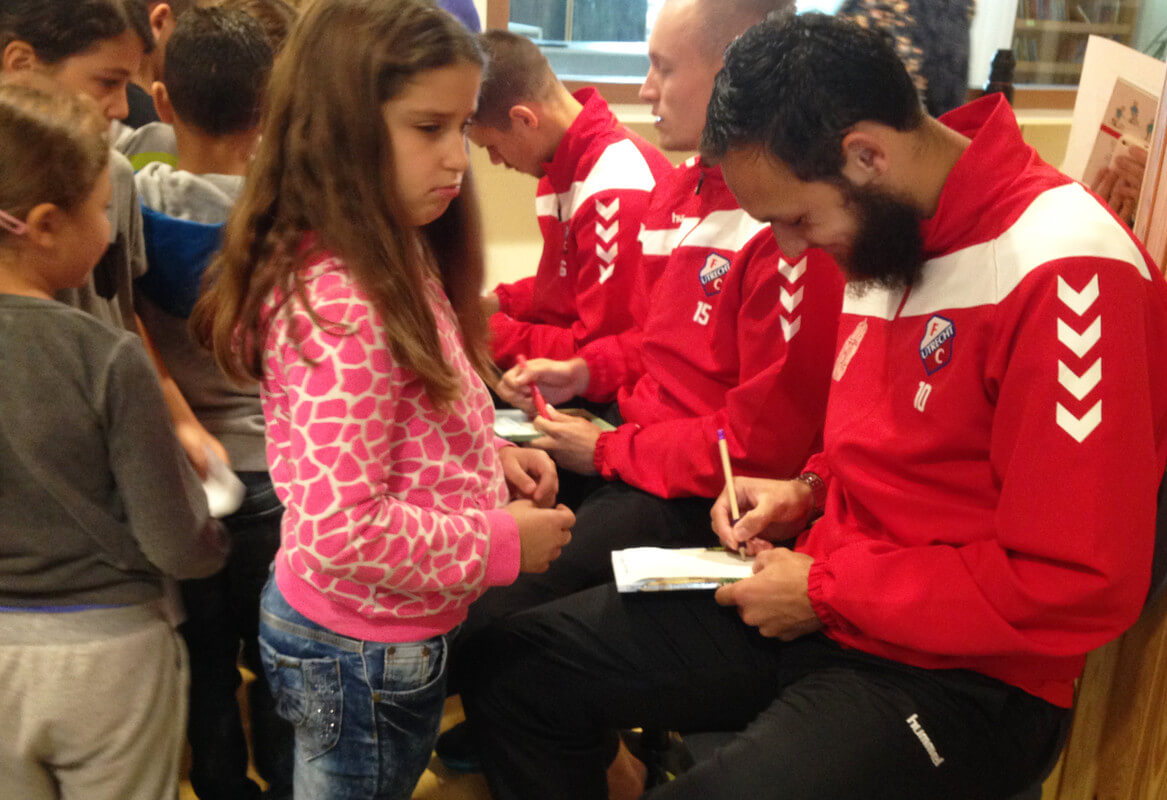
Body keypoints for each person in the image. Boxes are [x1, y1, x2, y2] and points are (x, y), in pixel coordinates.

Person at [463, 12, 1167, 800]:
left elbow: (1076, 583)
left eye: (796, 221)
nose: (792, 252)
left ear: (866, 153)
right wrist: (806, 491)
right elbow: (891, 443)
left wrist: (828, 588)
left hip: (960, 674)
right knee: (515, 666)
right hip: (829, 595)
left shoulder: (1067, 271)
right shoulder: (888, 227)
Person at [438, 0, 842, 772]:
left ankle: (572, 745)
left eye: (662, 68)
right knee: (477, 573)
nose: (645, 91)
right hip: (637, 447)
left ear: (730, 75)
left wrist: (614, 448)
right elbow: (643, 343)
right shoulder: (680, 194)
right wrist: (587, 373)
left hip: (688, 490)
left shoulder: (781, 227)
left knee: (496, 623)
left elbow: (757, 447)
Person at [190, 1, 575, 797]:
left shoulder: (394, 244)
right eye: (427, 127)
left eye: (463, 128)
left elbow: (408, 417)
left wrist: (489, 459)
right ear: (339, 128)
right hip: (360, 647)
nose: (457, 159)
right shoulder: (346, 304)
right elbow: (341, 532)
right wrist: (500, 543)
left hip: (378, 632)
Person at [0, 81, 228, 800]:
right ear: (42, 224)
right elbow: (172, 543)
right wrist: (215, 533)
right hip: (107, 659)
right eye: (102, 210)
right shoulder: (107, 356)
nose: (109, 228)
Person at [134, 8, 291, 799]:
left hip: (182, 480)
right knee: (280, 664)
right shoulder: (293, 217)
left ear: (161, 102)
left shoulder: (130, 200)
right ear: (270, 109)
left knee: (202, 665)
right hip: (279, 479)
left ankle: (226, 788)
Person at [0, 0, 230, 477]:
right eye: (107, 82)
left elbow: (120, 309)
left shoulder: (116, 175)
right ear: (21, 64)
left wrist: (181, 419)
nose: (124, 108)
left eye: (129, 83)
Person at [469, 30, 672, 369]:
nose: (495, 160)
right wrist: (497, 303)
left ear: (524, 119)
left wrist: (485, 332)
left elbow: (598, 353)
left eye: (492, 146)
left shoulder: (615, 188)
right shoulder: (557, 171)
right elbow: (569, 294)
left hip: (618, 387)